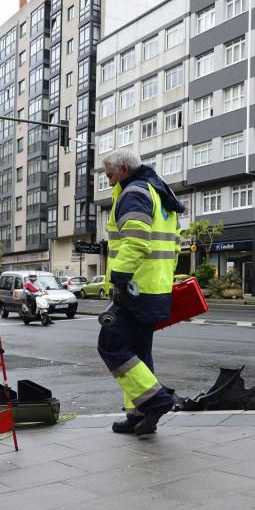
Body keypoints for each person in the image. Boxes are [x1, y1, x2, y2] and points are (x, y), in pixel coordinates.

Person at [99, 149, 183, 437]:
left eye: (110, 175)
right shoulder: (159, 191)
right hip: (154, 287)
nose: (109, 183)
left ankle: (156, 402)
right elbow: (174, 246)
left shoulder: (134, 193)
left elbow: (136, 242)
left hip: (135, 287)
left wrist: (120, 278)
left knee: (111, 345)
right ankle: (138, 414)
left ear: (123, 168)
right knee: (137, 351)